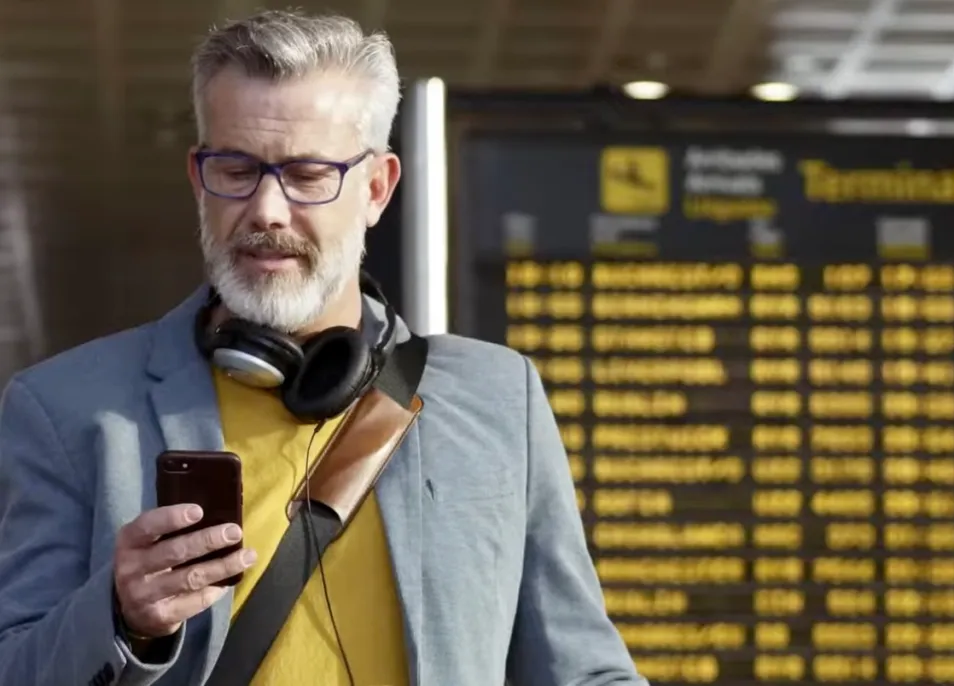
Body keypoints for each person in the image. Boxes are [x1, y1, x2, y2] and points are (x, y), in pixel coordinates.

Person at [0, 9, 647, 686]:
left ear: (376, 188)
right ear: (198, 179)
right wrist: (118, 616)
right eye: (236, 169)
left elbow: (583, 672)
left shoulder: (497, 397)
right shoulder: (67, 409)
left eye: (308, 174)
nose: (267, 211)